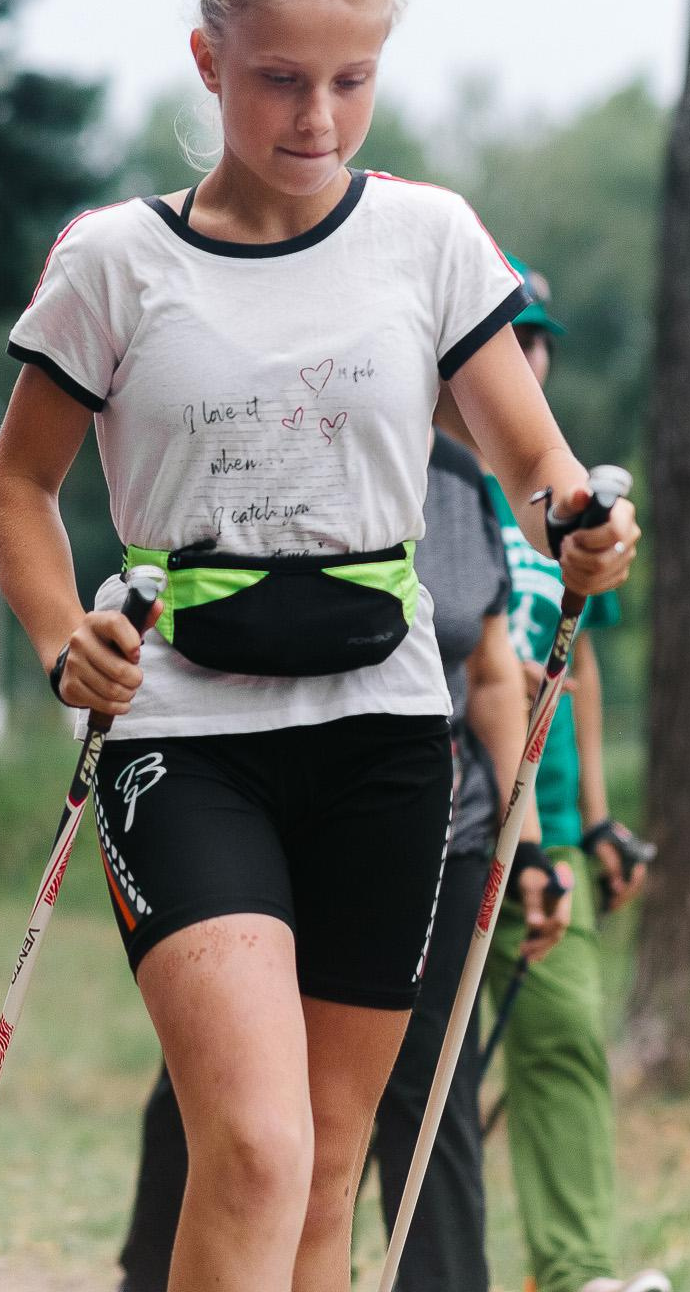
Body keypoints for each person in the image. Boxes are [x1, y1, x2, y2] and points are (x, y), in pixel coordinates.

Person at [0, 0, 639, 1292]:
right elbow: (18, 492)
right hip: (184, 732)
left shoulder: (430, 239)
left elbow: (535, 461)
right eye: (282, 80)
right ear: (209, 65)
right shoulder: (116, 262)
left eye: (352, 80)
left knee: (334, 1162)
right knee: (260, 1148)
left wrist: (580, 520)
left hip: (386, 731)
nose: (318, 116)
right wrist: (52, 641)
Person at [113, 425, 568, 1291]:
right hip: (228, 789)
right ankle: (153, 1268)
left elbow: (495, 668)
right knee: (244, 1113)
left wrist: (532, 843)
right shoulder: (270, 426)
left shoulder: (466, 483)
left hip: (434, 819)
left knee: (424, 1095)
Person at [445, 258, 667, 1292]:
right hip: (436, 812)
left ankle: (577, 1273)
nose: (528, 358)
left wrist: (604, 821)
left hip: (553, 826)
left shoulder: (564, 504)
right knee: (418, 1072)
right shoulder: (427, 482)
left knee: (565, 1034)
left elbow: (580, 671)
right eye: (509, 337)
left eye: (537, 343)